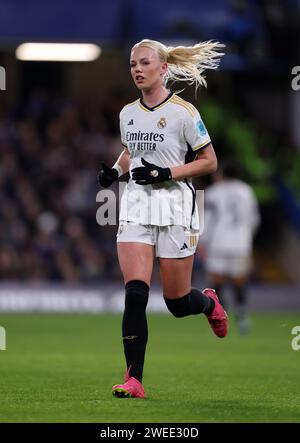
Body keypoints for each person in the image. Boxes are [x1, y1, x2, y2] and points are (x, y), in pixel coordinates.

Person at [98, 39, 228, 399]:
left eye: (144, 63)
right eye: (132, 64)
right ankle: (134, 379)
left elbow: (209, 161)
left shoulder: (184, 113)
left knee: (176, 302)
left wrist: (165, 173)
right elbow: (130, 152)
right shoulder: (127, 112)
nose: (137, 69)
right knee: (135, 293)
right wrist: (114, 172)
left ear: (164, 68)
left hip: (174, 206)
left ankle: (209, 303)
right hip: (137, 204)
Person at [199, 161, 260, 334]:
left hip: (218, 243)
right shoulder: (246, 190)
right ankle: (242, 317)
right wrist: (247, 238)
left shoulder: (213, 192)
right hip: (241, 244)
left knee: (216, 282)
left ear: (222, 174)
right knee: (239, 281)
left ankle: (220, 319)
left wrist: (202, 242)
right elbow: (254, 219)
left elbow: (208, 221)